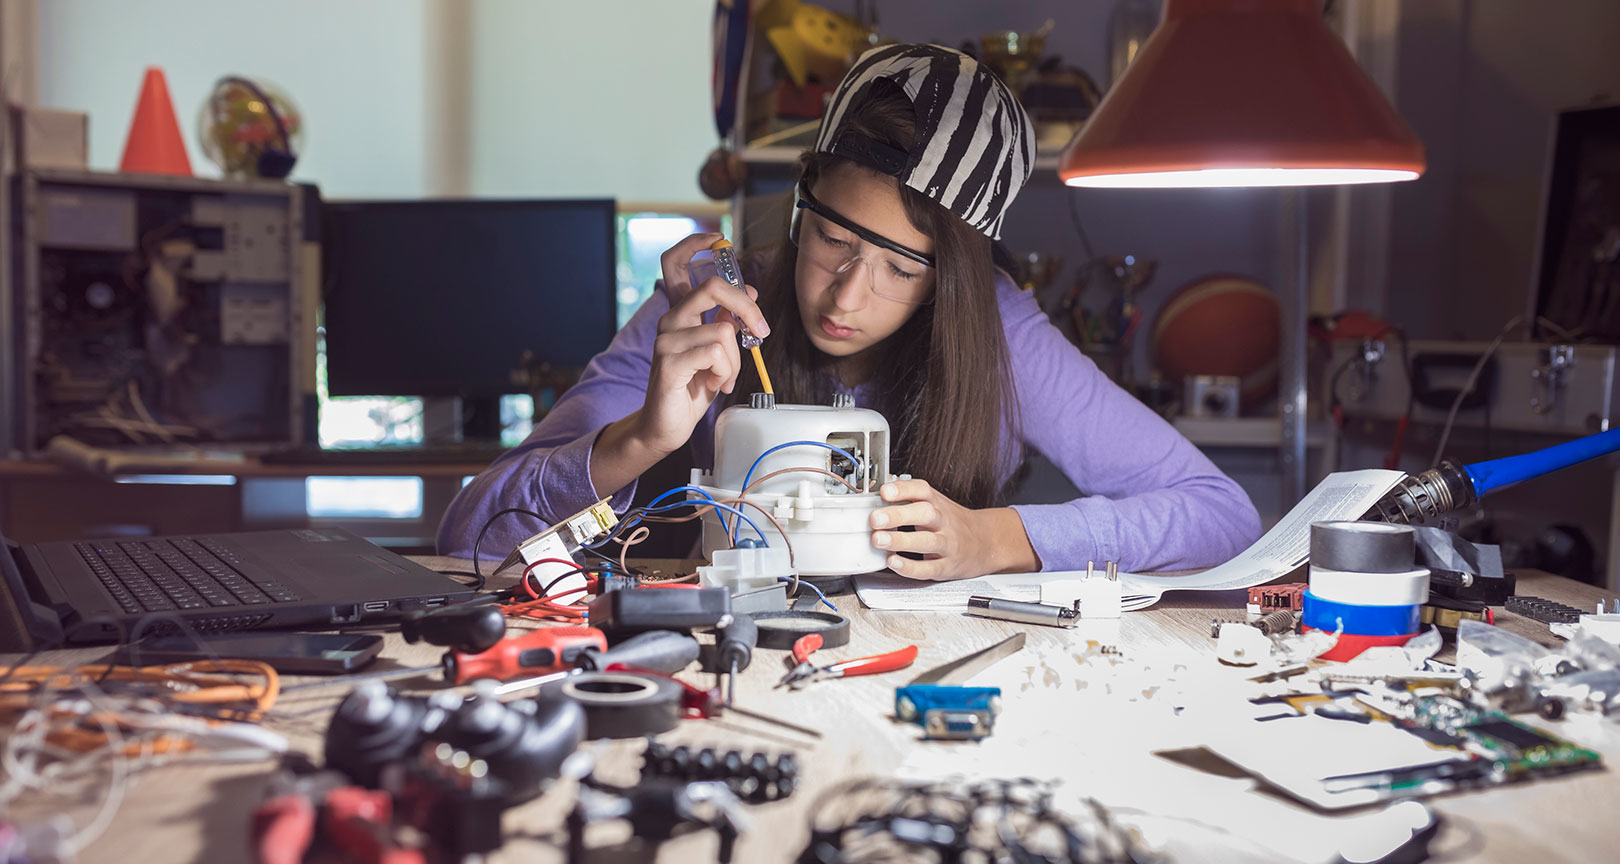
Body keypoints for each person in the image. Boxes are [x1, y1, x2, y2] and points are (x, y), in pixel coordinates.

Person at [439, 43, 1261, 580]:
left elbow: (1220, 514)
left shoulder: (1002, 331)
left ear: (955, 281)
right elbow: (468, 540)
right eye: (830, 239)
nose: (845, 296)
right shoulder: (712, 306)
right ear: (799, 206)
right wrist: (640, 437)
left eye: (904, 267)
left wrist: (1001, 538)